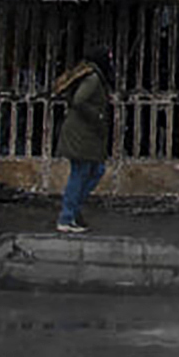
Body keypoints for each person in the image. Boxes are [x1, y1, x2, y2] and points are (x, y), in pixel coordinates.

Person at [52, 46, 111, 234]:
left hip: (86, 134)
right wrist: (98, 116)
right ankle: (66, 217)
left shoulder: (94, 75)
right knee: (80, 173)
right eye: (109, 57)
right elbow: (79, 100)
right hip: (80, 133)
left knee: (95, 170)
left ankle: (74, 211)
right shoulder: (93, 78)